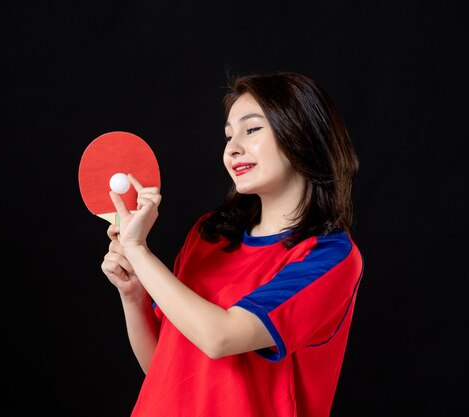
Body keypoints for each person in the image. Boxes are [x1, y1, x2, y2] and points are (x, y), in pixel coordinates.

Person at [101, 71, 364, 417]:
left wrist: (138, 250)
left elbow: (220, 337)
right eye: (228, 136)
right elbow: (165, 370)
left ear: (301, 133)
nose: (232, 148)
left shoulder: (329, 257)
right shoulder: (209, 233)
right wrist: (134, 293)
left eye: (252, 129)